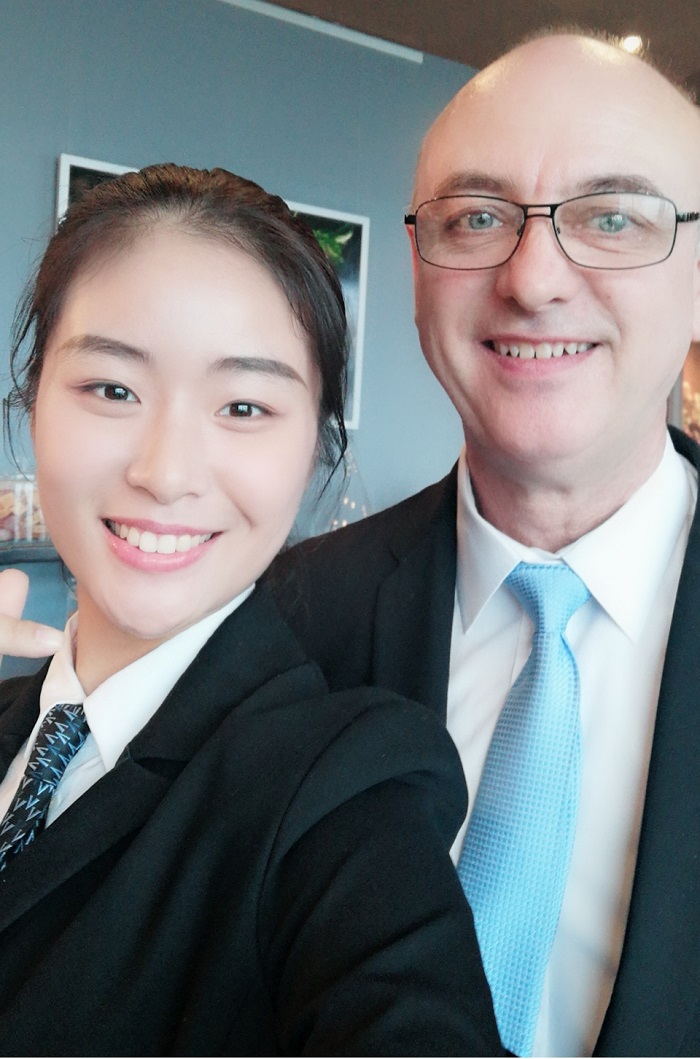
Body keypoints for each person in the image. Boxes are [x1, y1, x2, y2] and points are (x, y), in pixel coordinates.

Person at [0, 163, 505, 1056]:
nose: (165, 472)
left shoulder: (344, 791)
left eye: (243, 406)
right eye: (112, 388)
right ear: (32, 401)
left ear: (316, 450)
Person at [265, 30, 700, 1059]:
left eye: (612, 217)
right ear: (418, 267)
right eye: (475, 218)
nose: (534, 279)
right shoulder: (288, 621)